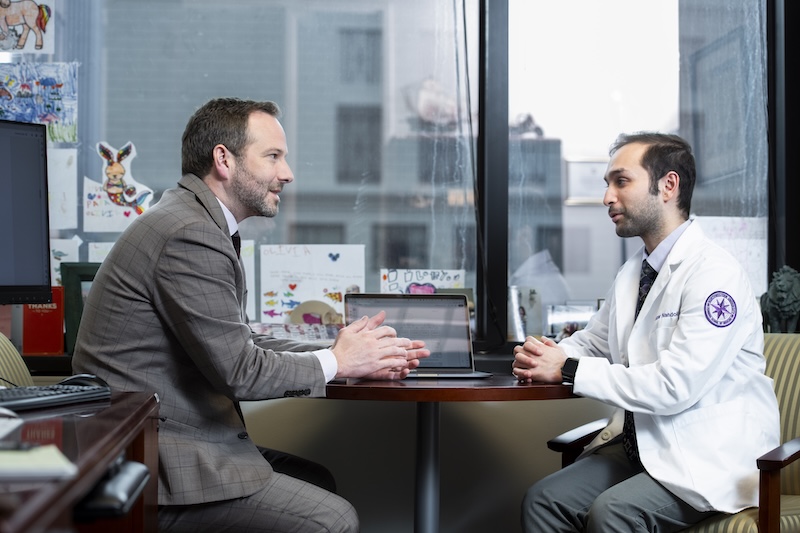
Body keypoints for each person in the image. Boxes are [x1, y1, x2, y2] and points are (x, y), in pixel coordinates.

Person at [72, 97, 430, 533]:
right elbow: (240, 371)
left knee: (318, 480)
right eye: (273, 156)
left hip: (170, 442)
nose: (288, 173)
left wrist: (347, 355)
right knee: (333, 520)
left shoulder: (194, 220)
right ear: (223, 159)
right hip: (156, 464)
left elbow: (243, 340)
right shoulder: (191, 234)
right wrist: (339, 362)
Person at [512, 132, 779, 532]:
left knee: (614, 512)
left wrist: (566, 369)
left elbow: (676, 385)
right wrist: (545, 353)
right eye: (607, 184)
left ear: (668, 185)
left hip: (707, 456)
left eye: (621, 181)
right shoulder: (634, 272)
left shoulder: (715, 275)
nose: (607, 197)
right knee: (543, 501)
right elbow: (595, 342)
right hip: (647, 447)